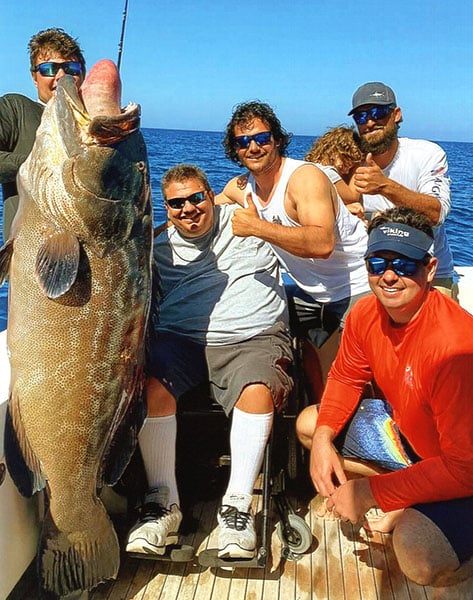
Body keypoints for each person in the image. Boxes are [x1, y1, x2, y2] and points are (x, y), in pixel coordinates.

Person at [296, 206, 473, 598]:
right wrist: (325, 439)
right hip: (416, 442)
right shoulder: (364, 313)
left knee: (419, 552)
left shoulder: (454, 347)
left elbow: (465, 469)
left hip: (466, 472)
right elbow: (345, 377)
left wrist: (369, 494)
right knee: (310, 423)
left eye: (404, 265)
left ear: (429, 269)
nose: (389, 276)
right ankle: (408, 492)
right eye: (378, 263)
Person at [126, 164, 293, 560]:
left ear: (211, 196)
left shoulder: (249, 223)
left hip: (250, 338)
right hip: (182, 340)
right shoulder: (156, 247)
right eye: (176, 203)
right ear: (165, 208)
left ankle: (237, 507)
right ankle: (162, 504)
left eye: (196, 198)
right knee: (151, 385)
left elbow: (310, 233)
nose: (188, 209)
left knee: (256, 389)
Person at [217, 101, 370, 382]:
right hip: (310, 295)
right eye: (243, 142)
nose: (253, 147)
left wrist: (257, 227)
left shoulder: (304, 178)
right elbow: (198, 210)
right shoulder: (241, 188)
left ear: (276, 140)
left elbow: (322, 243)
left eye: (262, 138)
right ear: (235, 150)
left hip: (358, 287)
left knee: (361, 378)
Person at [348, 81, 457, 299]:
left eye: (378, 112)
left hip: (427, 276)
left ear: (396, 114)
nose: (370, 122)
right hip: (374, 275)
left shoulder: (427, 153)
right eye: (361, 117)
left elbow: (436, 213)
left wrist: (385, 186)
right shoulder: (349, 160)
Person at [0, 28, 86, 240]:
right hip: (29, 256)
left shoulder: (93, 123)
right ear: (34, 77)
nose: (61, 76)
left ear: (83, 74)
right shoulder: (15, 108)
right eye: (49, 68)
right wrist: (41, 166)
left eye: (71, 68)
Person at [304, 125, 365, 219]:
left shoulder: (309, 167)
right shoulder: (327, 172)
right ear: (334, 151)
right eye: (347, 161)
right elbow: (352, 198)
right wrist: (358, 165)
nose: (346, 171)